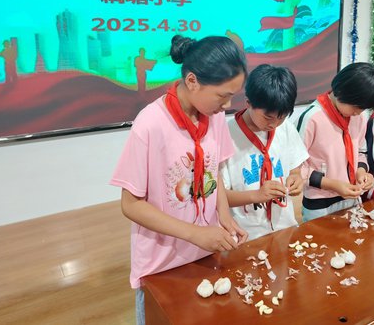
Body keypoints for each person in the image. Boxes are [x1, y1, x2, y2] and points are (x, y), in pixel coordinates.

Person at [110, 35, 249, 325]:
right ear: (192, 81)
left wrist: (224, 217)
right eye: (222, 96)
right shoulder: (150, 124)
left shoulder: (214, 117)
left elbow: (213, 173)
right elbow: (131, 205)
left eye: (232, 96)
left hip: (205, 252)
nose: (227, 105)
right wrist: (194, 233)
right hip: (162, 263)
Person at [220, 64, 308, 240]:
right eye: (268, 117)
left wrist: (296, 178)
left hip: (285, 226)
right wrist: (256, 195)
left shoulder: (285, 128)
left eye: (282, 117)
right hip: (247, 234)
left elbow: (295, 169)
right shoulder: (226, 136)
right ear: (248, 103)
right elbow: (220, 197)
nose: (274, 124)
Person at [296, 62, 374, 222]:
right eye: (357, 106)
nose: (359, 112)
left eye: (364, 109)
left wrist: (361, 173)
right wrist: (333, 185)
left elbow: (360, 152)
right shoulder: (312, 119)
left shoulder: (358, 117)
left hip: (351, 196)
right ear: (341, 92)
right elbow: (296, 168)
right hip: (319, 201)